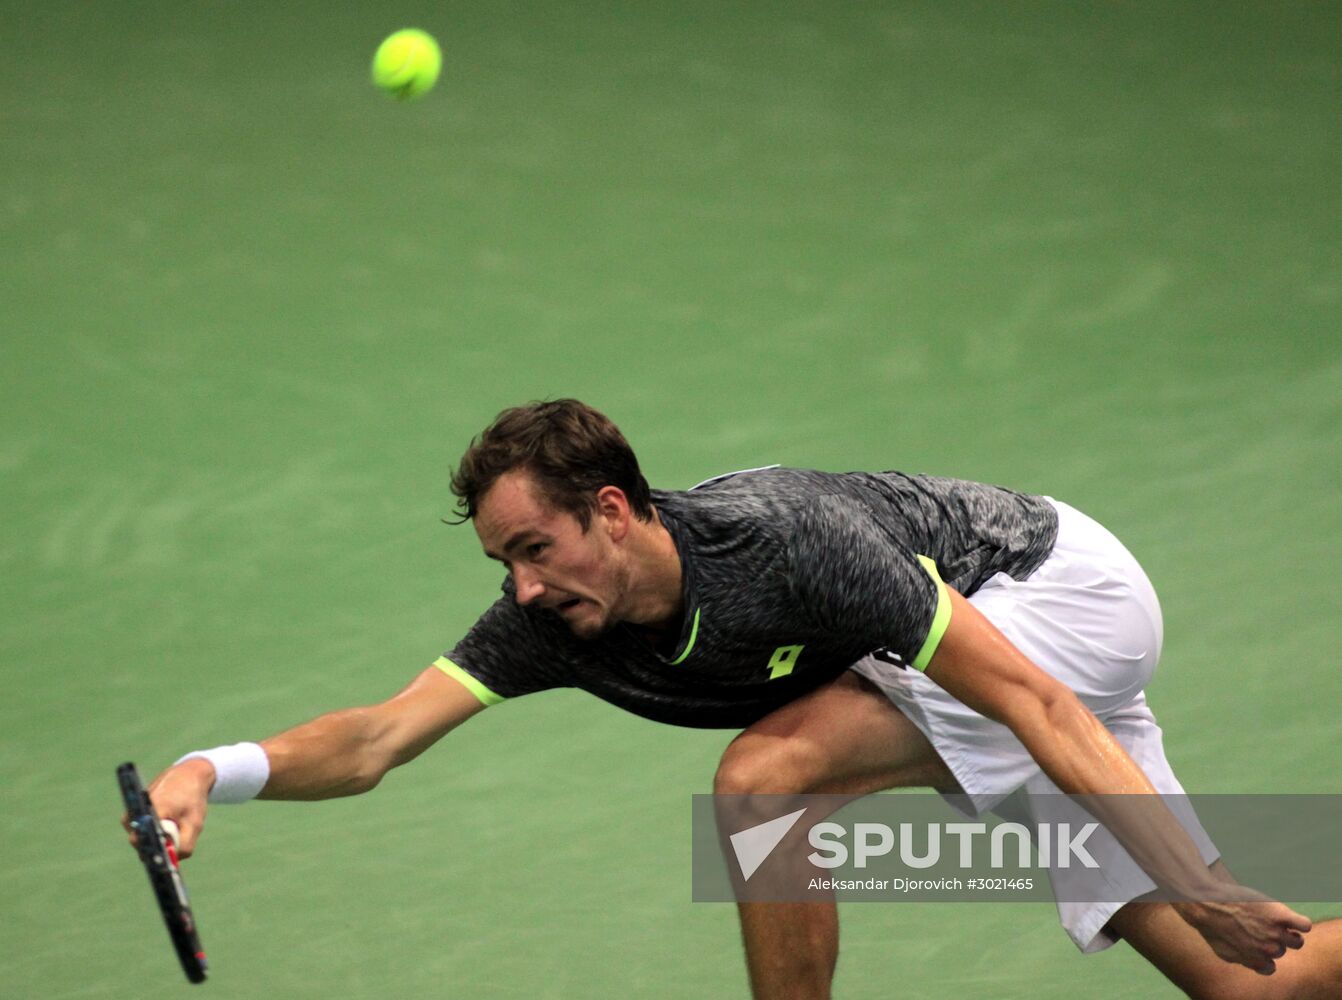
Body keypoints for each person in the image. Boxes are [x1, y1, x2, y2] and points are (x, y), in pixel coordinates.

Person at [130, 399, 1341, 999]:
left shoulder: (785, 539)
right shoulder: (554, 622)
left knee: (765, 777)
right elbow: (378, 737)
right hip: (982, 675)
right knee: (1250, 985)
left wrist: (1188, 872)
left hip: (1049, 593)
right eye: (502, 559)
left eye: (535, 546)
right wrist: (209, 765)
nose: (521, 582)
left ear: (611, 509)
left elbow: (1033, 699)